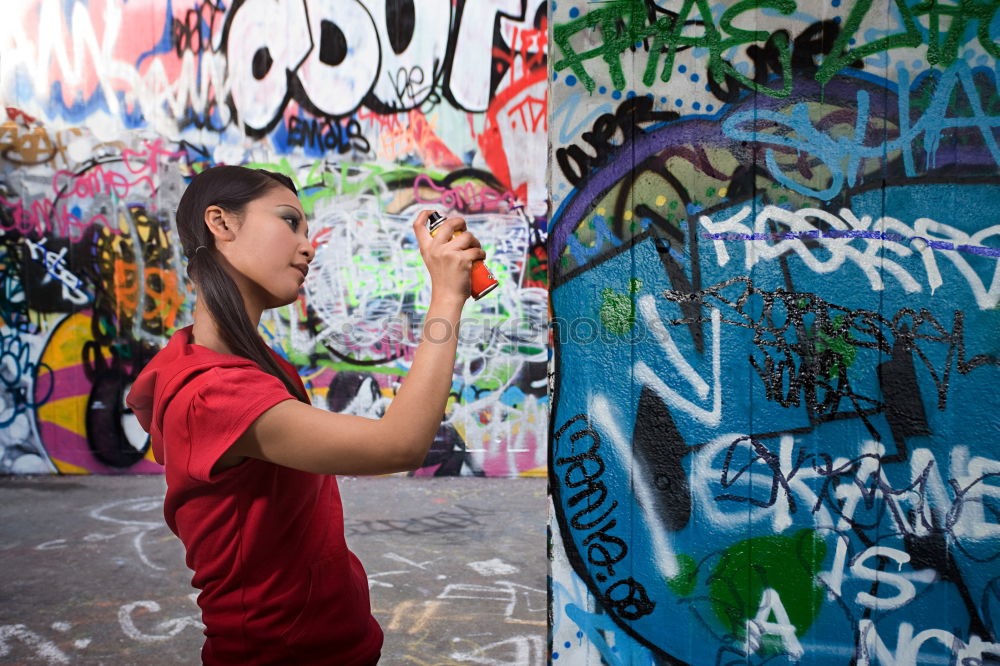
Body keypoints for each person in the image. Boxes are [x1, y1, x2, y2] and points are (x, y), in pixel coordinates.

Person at [126, 165, 486, 665]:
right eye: (289, 222)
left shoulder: (242, 363)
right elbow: (399, 445)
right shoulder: (214, 393)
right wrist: (447, 296)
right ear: (221, 223)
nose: (308, 245)